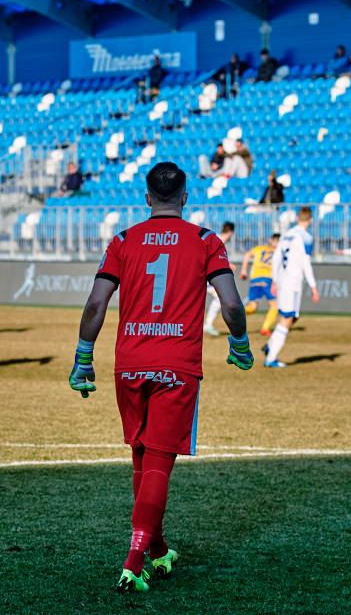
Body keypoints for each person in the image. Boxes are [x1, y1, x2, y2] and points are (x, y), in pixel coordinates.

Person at [67, 161, 253, 593]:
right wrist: (240, 343)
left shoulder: (123, 240)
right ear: (185, 197)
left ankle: (158, 548)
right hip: (176, 365)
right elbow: (230, 304)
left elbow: (96, 303)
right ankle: (133, 562)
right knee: (159, 463)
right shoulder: (206, 240)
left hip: (130, 362)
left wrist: (83, 357)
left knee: (142, 457)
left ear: (147, 197)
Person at [264, 207, 320, 368]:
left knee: (290, 317)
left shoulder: (287, 234)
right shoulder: (306, 237)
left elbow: (276, 258)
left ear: (297, 218)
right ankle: (271, 358)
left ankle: (270, 345)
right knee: (288, 318)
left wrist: (274, 280)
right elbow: (305, 263)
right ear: (310, 220)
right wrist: (313, 287)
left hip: (282, 280)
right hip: (293, 282)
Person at [240, 233, 280, 336]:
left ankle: (237, 312)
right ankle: (265, 329)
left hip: (255, 279)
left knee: (252, 307)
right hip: (268, 279)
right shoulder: (279, 251)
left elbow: (247, 255)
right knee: (275, 305)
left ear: (270, 240)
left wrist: (243, 270)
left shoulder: (260, 248)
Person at [204, 222, 236, 336]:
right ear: (231, 232)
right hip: (207, 277)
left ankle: (207, 324)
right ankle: (207, 324)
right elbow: (212, 257)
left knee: (218, 298)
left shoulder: (217, 239)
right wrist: (228, 265)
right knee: (219, 298)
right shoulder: (218, 240)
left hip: (206, 276)